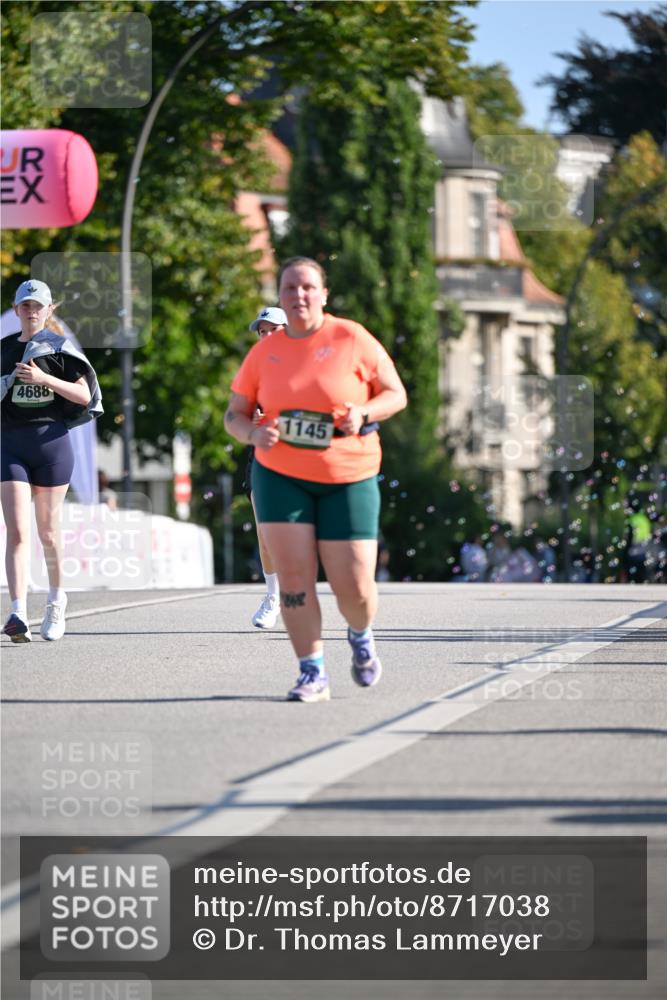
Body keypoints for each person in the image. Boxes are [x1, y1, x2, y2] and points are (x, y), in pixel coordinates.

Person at [224, 256, 407, 702]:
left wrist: (363, 412)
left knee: (355, 585)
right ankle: (312, 671)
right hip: (280, 475)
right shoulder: (264, 352)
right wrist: (253, 432)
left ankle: (360, 634)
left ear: (324, 294)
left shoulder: (351, 337)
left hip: (349, 473)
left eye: (307, 287)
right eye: (289, 288)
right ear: (281, 296)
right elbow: (234, 414)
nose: (299, 295)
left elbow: (395, 394)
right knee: (294, 577)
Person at [1, 279, 102, 643]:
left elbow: (84, 394)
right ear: (16, 310)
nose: (31, 311)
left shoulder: (60, 348)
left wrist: (44, 378)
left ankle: (57, 600)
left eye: (37, 306)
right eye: (25, 306)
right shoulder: (4, 348)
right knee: (17, 530)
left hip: (52, 446)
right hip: (11, 445)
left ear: (48, 310)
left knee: (46, 531)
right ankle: (16, 612)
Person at [244, 306, 287, 629]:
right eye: (262, 331)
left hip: (302, 459)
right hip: (263, 456)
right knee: (265, 531)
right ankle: (273, 597)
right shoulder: (253, 370)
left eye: (272, 329)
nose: (266, 336)